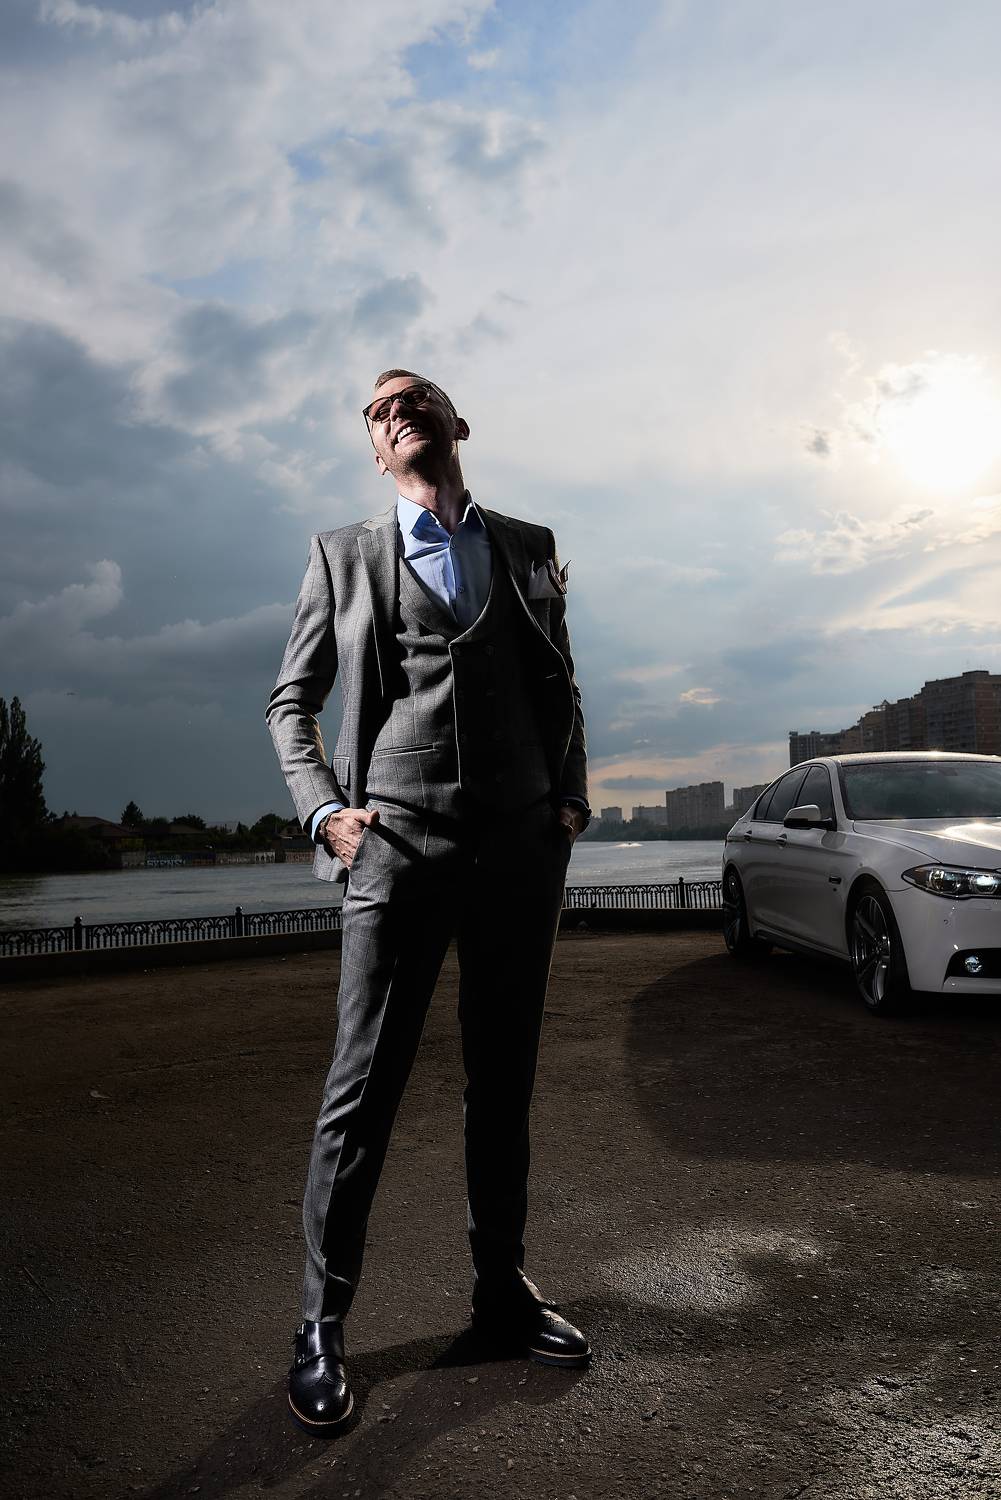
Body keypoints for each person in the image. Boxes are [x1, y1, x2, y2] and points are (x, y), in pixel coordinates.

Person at [267, 369, 592, 1435]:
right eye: (377, 409)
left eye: (415, 397)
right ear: (374, 451)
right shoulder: (342, 554)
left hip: (519, 847)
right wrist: (326, 812)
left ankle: (500, 1292)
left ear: (458, 424)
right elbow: (290, 703)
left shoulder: (528, 544)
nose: (395, 409)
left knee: (502, 1081)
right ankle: (320, 1326)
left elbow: (559, 677)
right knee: (362, 1087)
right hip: (396, 844)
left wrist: (569, 797)